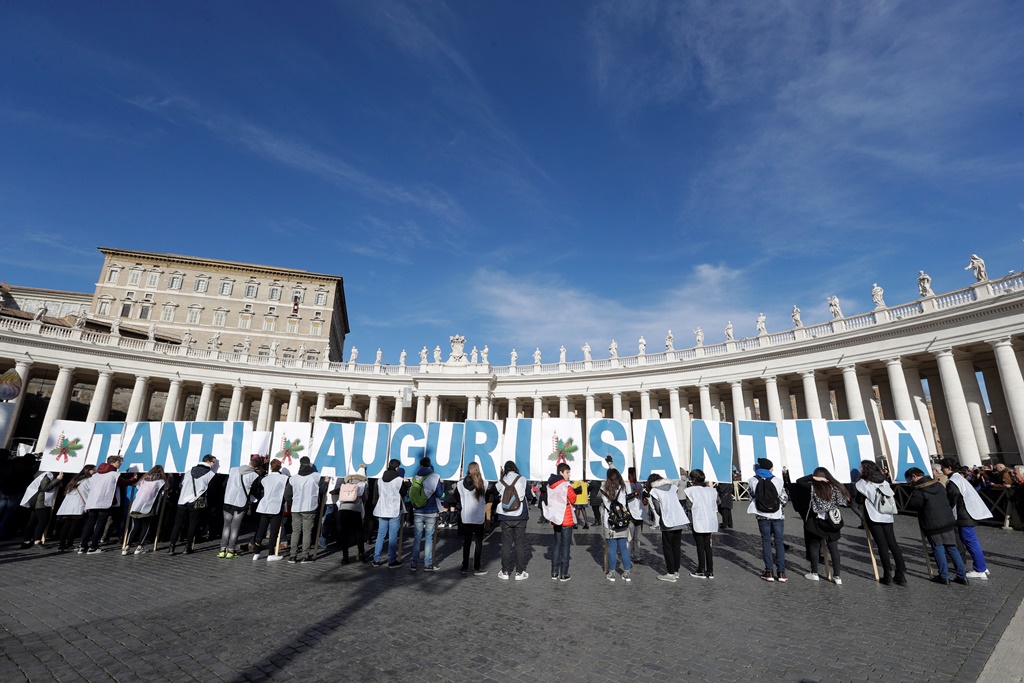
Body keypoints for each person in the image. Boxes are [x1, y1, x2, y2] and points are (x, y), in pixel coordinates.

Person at [906, 467, 969, 586]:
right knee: (952, 548)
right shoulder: (939, 484)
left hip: (932, 523)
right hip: (947, 520)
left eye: (910, 479)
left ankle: (944, 576)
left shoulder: (919, 490)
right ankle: (962, 576)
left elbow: (914, 505)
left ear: (914, 476)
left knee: (938, 549)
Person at [794, 467, 850, 585]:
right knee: (834, 549)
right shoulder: (835, 486)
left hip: (817, 521)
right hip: (832, 521)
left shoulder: (813, 487)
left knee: (814, 546)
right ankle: (837, 576)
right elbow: (844, 501)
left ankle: (814, 573)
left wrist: (812, 478)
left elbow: (799, 481)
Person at [855, 460, 907, 585]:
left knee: (882, 545)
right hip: (887, 514)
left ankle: (887, 574)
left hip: (874, 515)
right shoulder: (884, 481)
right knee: (893, 543)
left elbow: (859, 500)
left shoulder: (863, 483)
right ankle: (901, 573)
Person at [941, 458, 992, 580]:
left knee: (970, 542)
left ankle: (980, 569)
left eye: (943, 467)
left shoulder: (953, 481)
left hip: (963, 515)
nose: (941, 469)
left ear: (949, 468)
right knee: (971, 541)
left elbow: (951, 499)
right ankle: (982, 567)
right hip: (967, 514)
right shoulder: (959, 478)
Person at [168, 454, 218, 555]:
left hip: (182, 501)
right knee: (193, 525)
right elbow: (211, 489)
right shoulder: (211, 474)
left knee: (178, 524)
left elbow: (180, 485)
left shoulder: (188, 472)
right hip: (196, 501)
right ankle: (187, 547)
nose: (215, 465)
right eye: (214, 462)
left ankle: (171, 547)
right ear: (208, 462)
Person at [748, 458, 788, 582]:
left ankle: (768, 571)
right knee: (779, 542)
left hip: (762, 514)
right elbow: (784, 498)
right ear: (770, 468)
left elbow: (751, 498)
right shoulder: (778, 480)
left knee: (766, 541)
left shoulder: (752, 480)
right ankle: (781, 573)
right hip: (777, 515)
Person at [646, 473, 690, 582]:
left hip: (668, 521)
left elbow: (658, 509)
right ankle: (676, 571)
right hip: (679, 519)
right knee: (676, 547)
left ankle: (670, 573)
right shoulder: (672, 487)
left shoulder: (655, 491)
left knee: (668, 547)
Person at [218, 455, 261, 559]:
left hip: (228, 501)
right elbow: (254, 491)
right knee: (235, 528)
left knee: (226, 526)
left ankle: (222, 549)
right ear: (257, 467)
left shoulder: (233, 470)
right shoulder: (254, 476)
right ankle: (231, 550)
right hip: (241, 503)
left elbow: (224, 484)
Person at [80, 455, 125, 554]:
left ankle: (83, 546)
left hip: (92, 502)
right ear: (113, 463)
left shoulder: (96, 475)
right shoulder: (114, 474)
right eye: (119, 462)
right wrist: (134, 479)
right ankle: (93, 547)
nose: (120, 464)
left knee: (89, 524)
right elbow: (123, 483)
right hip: (104, 502)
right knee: (100, 524)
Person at [495, 460, 529, 580]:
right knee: (519, 544)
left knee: (506, 544)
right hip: (520, 515)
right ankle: (520, 572)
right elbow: (528, 496)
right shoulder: (522, 479)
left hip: (505, 515)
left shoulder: (500, 482)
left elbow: (497, 496)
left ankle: (505, 572)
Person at [409, 456, 444, 571]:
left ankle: (414, 564)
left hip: (418, 510)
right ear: (429, 465)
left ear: (421, 465)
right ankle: (427, 564)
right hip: (431, 511)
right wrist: (442, 484)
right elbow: (439, 494)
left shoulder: (415, 477)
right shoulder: (435, 477)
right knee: (429, 538)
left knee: (417, 538)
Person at [285, 456, 323, 564]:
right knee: (307, 532)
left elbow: (287, 494)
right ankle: (305, 556)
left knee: (295, 532)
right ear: (309, 464)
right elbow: (323, 490)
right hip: (309, 507)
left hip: (296, 508)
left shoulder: (293, 478)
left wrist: (292, 503)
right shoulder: (316, 476)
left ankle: (292, 556)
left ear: (300, 464)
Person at [542, 462, 576, 581]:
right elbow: (573, 498)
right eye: (567, 472)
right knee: (566, 546)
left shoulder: (551, 485)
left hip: (556, 517)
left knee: (557, 544)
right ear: (561, 472)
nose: (569, 475)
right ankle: (564, 573)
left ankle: (554, 572)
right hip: (566, 518)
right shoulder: (566, 485)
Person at [684, 470, 719, 579]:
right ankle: (710, 570)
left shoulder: (690, 491)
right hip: (710, 520)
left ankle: (701, 569)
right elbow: (718, 502)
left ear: (693, 479)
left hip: (698, 519)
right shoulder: (712, 491)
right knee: (708, 546)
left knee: (700, 545)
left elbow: (688, 506)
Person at [125, 465, 167, 555]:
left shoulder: (143, 479)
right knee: (145, 527)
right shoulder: (160, 481)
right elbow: (166, 488)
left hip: (136, 505)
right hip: (148, 505)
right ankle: (139, 546)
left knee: (134, 527)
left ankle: (127, 546)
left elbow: (137, 487)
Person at [372, 459, 406, 568]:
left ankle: (376, 559)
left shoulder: (380, 480)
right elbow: (404, 493)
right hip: (394, 509)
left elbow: (376, 494)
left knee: (380, 535)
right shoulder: (399, 480)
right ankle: (392, 561)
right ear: (397, 468)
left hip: (382, 509)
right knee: (392, 536)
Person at [252, 459, 288, 561]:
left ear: (271, 467)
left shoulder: (265, 479)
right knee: (273, 532)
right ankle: (271, 553)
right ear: (280, 467)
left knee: (260, 530)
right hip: (275, 507)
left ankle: (256, 552)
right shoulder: (284, 478)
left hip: (264, 506)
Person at [600, 467, 632, 582]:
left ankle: (612, 573)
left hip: (610, 522)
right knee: (623, 548)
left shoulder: (603, 489)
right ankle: (627, 572)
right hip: (622, 521)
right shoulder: (623, 488)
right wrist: (610, 464)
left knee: (612, 548)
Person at [456, 462, 488, 575]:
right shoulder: (484, 483)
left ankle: (465, 566)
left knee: (467, 542)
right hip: (479, 516)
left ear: (469, 470)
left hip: (466, 516)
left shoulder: (460, 484)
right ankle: (477, 567)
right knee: (478, 543)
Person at [19, 468, 63, 548]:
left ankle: (27, 541)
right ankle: (37, 540)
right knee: (43, 521)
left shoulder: (41, 472)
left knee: (32, 521)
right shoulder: (48, 474)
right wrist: (57, 479)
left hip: (35, 500)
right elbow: (45, 487)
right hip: (41, 501)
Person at [55, 466, 95, 552]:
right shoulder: (88, 480)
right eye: (93, 470)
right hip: (77, 505)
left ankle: (61, 545)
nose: (94, 472)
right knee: (74, 526)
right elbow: (87, 493)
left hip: (67, 506)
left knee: (66, 525)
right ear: (88, 471)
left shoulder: (75, 479)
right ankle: (69, 544)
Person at [334, 465, 368, 564]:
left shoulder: (345, 484)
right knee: (359, 533)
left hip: (343, 509)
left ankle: (345, 557)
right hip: (355, 509)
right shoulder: (362, 484)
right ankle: (361, 553)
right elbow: (365, 498)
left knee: (344, 533)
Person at [625, 467, 647, 563]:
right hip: (630, 514)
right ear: (630, 475)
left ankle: (637, 556)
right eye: (634, 474)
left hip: (639, 514)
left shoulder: (639, 485)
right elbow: (624, 498)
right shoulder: (626, 485)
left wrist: (645, 498)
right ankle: (627, 556)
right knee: (629, 537)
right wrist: (634, 494)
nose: (636, 476)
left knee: (637, 538)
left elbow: (642, 500)